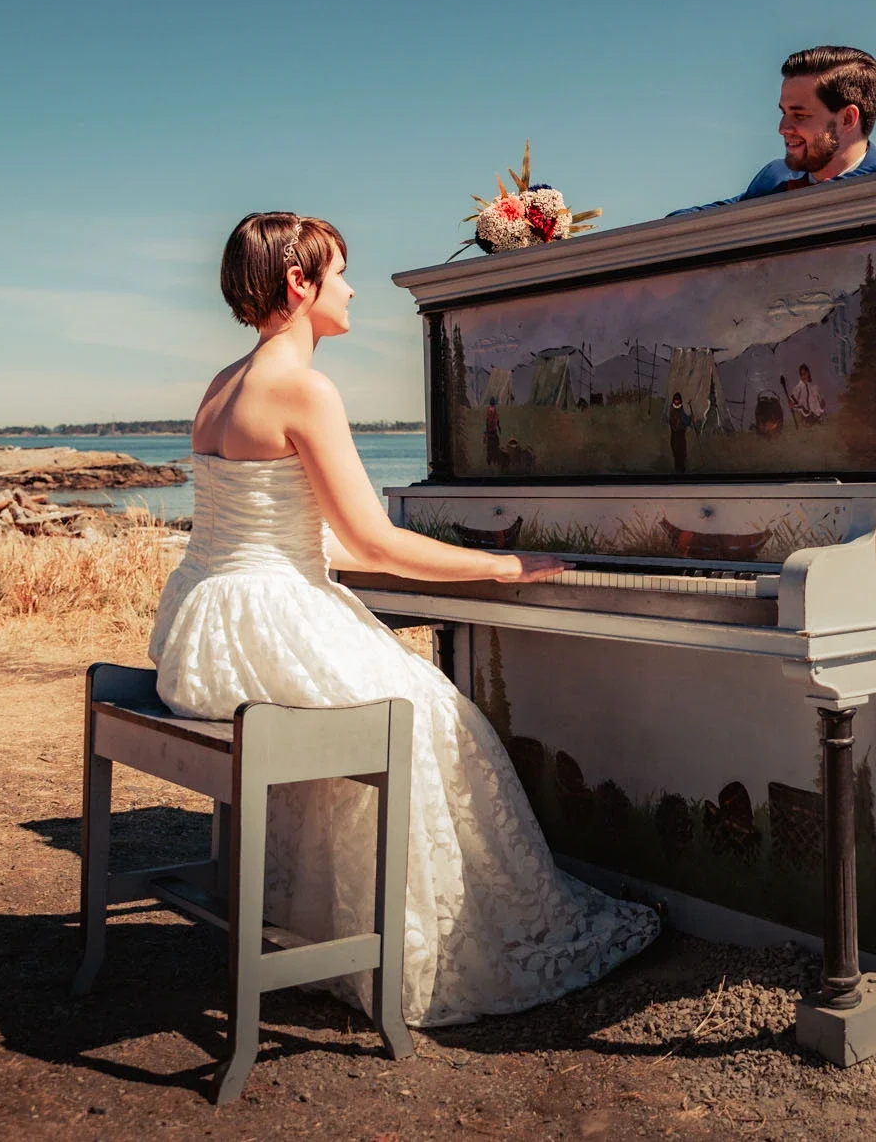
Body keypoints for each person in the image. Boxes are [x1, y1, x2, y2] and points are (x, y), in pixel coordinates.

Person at [148, 212, 658, 1028]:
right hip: (263, 618)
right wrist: (499, 565)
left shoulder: (221, 383)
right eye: (340, 273)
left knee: (395, 700)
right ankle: (431, 946)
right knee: (434, 715)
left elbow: (283, 530)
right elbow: (369, 539)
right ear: (298, 283)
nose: (350, 289)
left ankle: (330, 927)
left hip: (206, 624)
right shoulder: (305, 389)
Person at [674, 45, 876, 212]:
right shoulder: (775, 180)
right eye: (784, 113)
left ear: (847, 119)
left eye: (800, 115)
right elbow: (697, 223)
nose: (783, 128)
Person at [667, 392, 690, 472]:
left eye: (678, 400)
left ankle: (682, 469)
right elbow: (671, 422)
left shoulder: (682, 410)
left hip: (681, 435)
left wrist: (690, 419)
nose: (676, 401)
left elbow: (686, 421)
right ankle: (678, 470)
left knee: (682, 453)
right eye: (675, 400)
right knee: (676, 454)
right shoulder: (671, 410)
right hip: (675, 435)